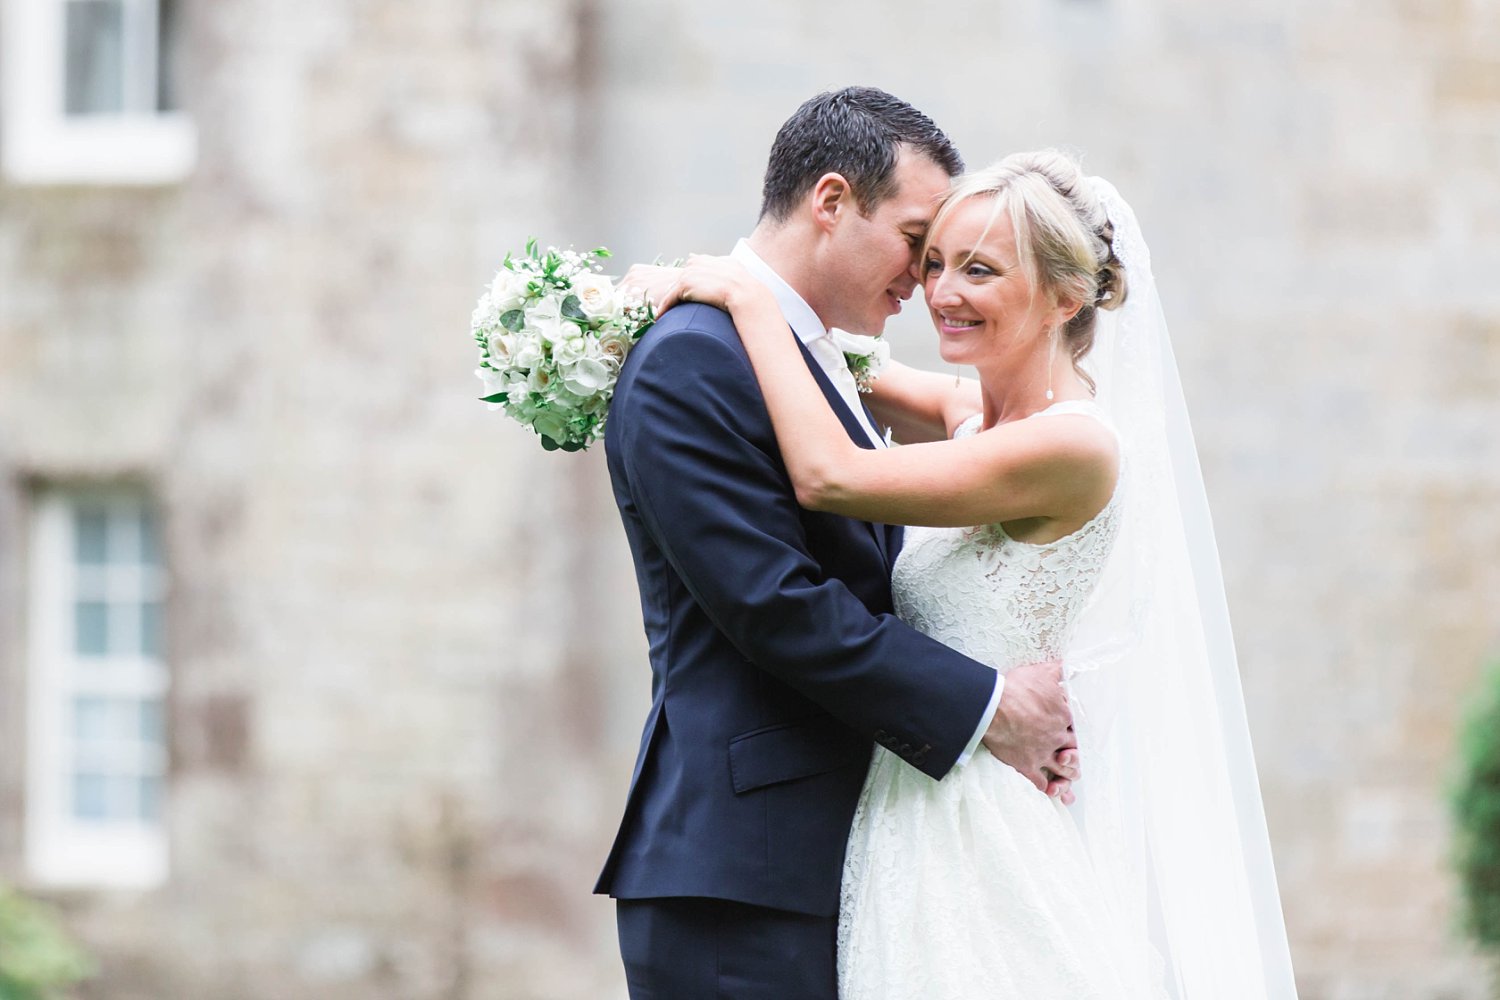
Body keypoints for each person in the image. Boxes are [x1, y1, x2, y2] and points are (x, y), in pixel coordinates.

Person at [654, 150, 1300, 996]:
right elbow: (837, 364)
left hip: (977, 824)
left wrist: (742, 295)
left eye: (980, 270)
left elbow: (830, 474)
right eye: (933, 263)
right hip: (908, 804)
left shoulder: (1073, 445)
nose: (941, 293)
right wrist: (636, 305)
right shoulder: (977, 416)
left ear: (1067, 298)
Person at [595, 88, 1083, 999]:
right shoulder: (692, 359)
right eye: (914, 244)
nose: (926, 283)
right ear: (830, 202)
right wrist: (989, 706)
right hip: (743, 875)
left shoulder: (804, 352)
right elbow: (774, 605)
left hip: (842, 854)